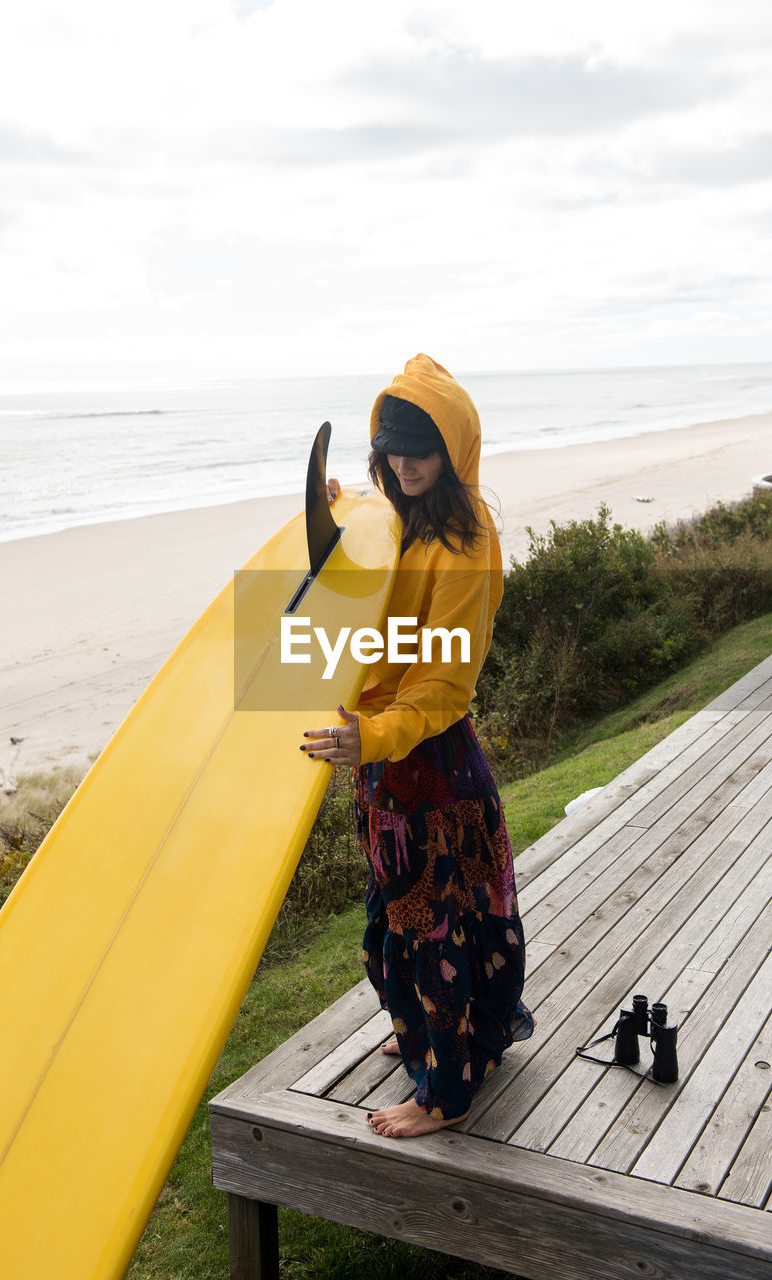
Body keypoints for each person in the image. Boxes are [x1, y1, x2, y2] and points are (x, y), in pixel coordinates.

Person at [300, 354, 533, 1139]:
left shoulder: (468, 545)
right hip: (383, 766)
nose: (402, 465)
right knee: (405, 935)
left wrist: (372, 734)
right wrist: (341, 519)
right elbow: (368, 574)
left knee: (435, 938)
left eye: (420, 452)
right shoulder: (398, 504)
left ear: (455, 452)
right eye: (391, 450)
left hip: (430, 766)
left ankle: (447, 1096)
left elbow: (443, 687)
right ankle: (470, 1050)